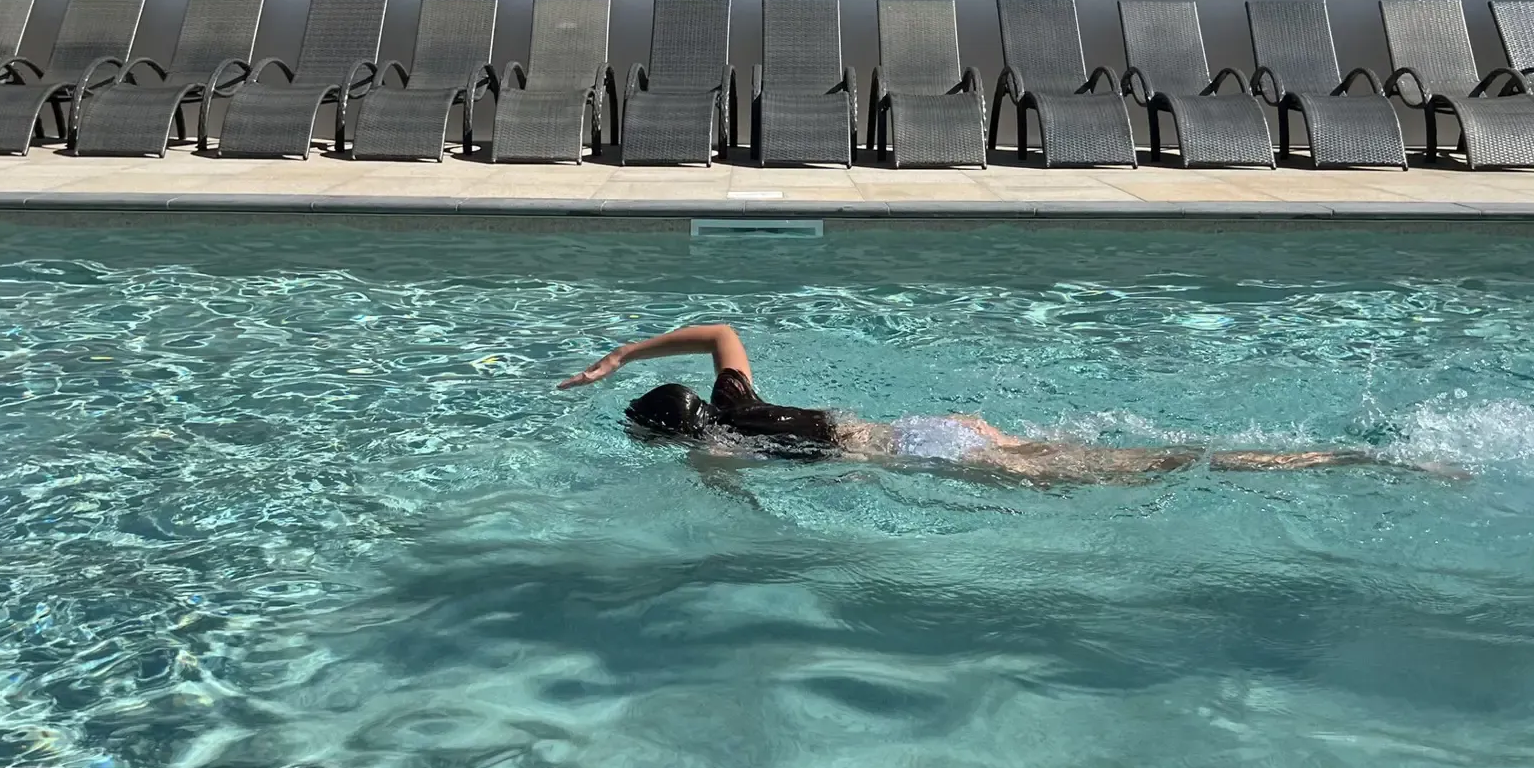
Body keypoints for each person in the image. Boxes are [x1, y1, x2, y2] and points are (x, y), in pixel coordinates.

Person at [557, 323, 1459, 485]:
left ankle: (1356, 460)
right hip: (937, 427)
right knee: (1135, 455)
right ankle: (1350, 456)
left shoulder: (721, 447)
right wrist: (622, 355)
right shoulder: (741, 400)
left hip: (936, 458)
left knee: (1159, 469)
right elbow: (720, 327)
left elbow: (729, 501)